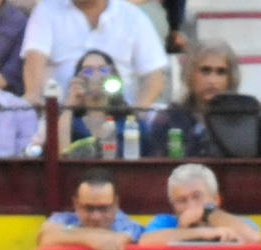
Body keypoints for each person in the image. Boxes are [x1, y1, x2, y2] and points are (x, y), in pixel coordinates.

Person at [20, 0, 167, 109]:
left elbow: (154, 77)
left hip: (119, 112)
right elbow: (34, 59)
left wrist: (134, 115)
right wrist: (33, 96)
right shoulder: (46, 10)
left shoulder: (133, 16)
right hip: (60, 112)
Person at [146, 38, 241, 158]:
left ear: (230, 78)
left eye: (221, 72)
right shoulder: (170, 118)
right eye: (205, 70)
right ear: (189, 74)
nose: (213, 80)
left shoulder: (241, 118)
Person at [35, 167, 142, 250]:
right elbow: (45, 236)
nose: (96, 216)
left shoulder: (130, 227)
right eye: (89, 208)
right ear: (76, 204)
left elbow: (118, 240)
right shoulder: (64, 218)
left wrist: (69, 233)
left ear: (116, 204)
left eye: (104, 208)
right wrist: (94, 240)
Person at [138, 162, 261, 245]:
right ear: (173, 206)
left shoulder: (231, 221)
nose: (191, 206)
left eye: (197, 196)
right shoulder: (165, 222)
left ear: (216, 199)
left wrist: (206, 213)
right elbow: (145, 242)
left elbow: (254, 238)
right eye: (181, 200)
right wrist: (202, 233)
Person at [57, 48, 146, 157]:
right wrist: (69, 104)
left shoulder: (129, 122)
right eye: (88, 71)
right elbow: (61, 154)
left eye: (103, 70)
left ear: (113, 76)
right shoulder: (69, 120)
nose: (96, 75)